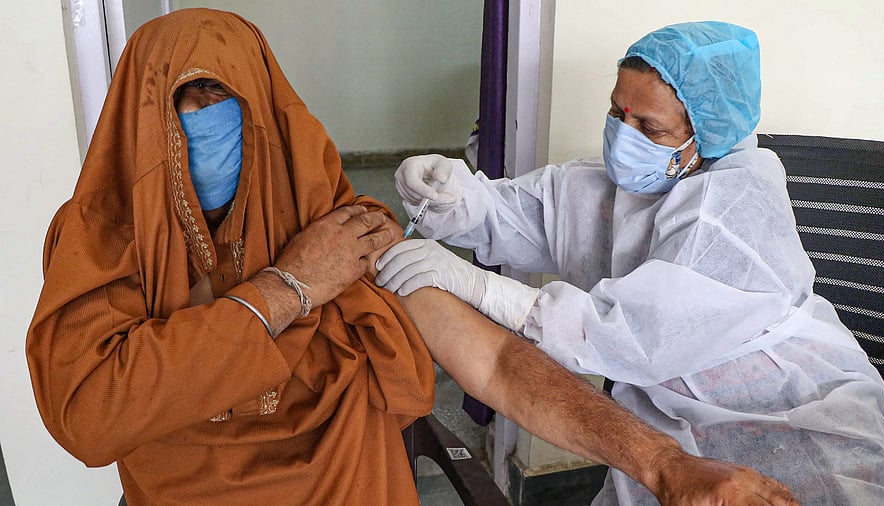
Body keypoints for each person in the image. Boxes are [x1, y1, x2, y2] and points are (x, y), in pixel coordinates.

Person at [26, 10, 800, 505]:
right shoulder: (100, 238)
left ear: (265, 112)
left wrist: (662, 465)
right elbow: (91, 420)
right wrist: (286, 289)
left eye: (223, 101)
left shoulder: (333, 225)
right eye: (184, 102)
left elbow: (496, 366)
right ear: (140, 117)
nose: (206, 124)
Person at [377, 20, 884, 505]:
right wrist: (455, 197)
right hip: (664, 414)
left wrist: (478, 288)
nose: (624, 136)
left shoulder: (730, 213)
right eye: (616, 112)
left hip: (789, 409)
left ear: (707, 135)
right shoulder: (623, 186)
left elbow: (627, 337)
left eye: (649, 127)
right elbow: (523, 213)